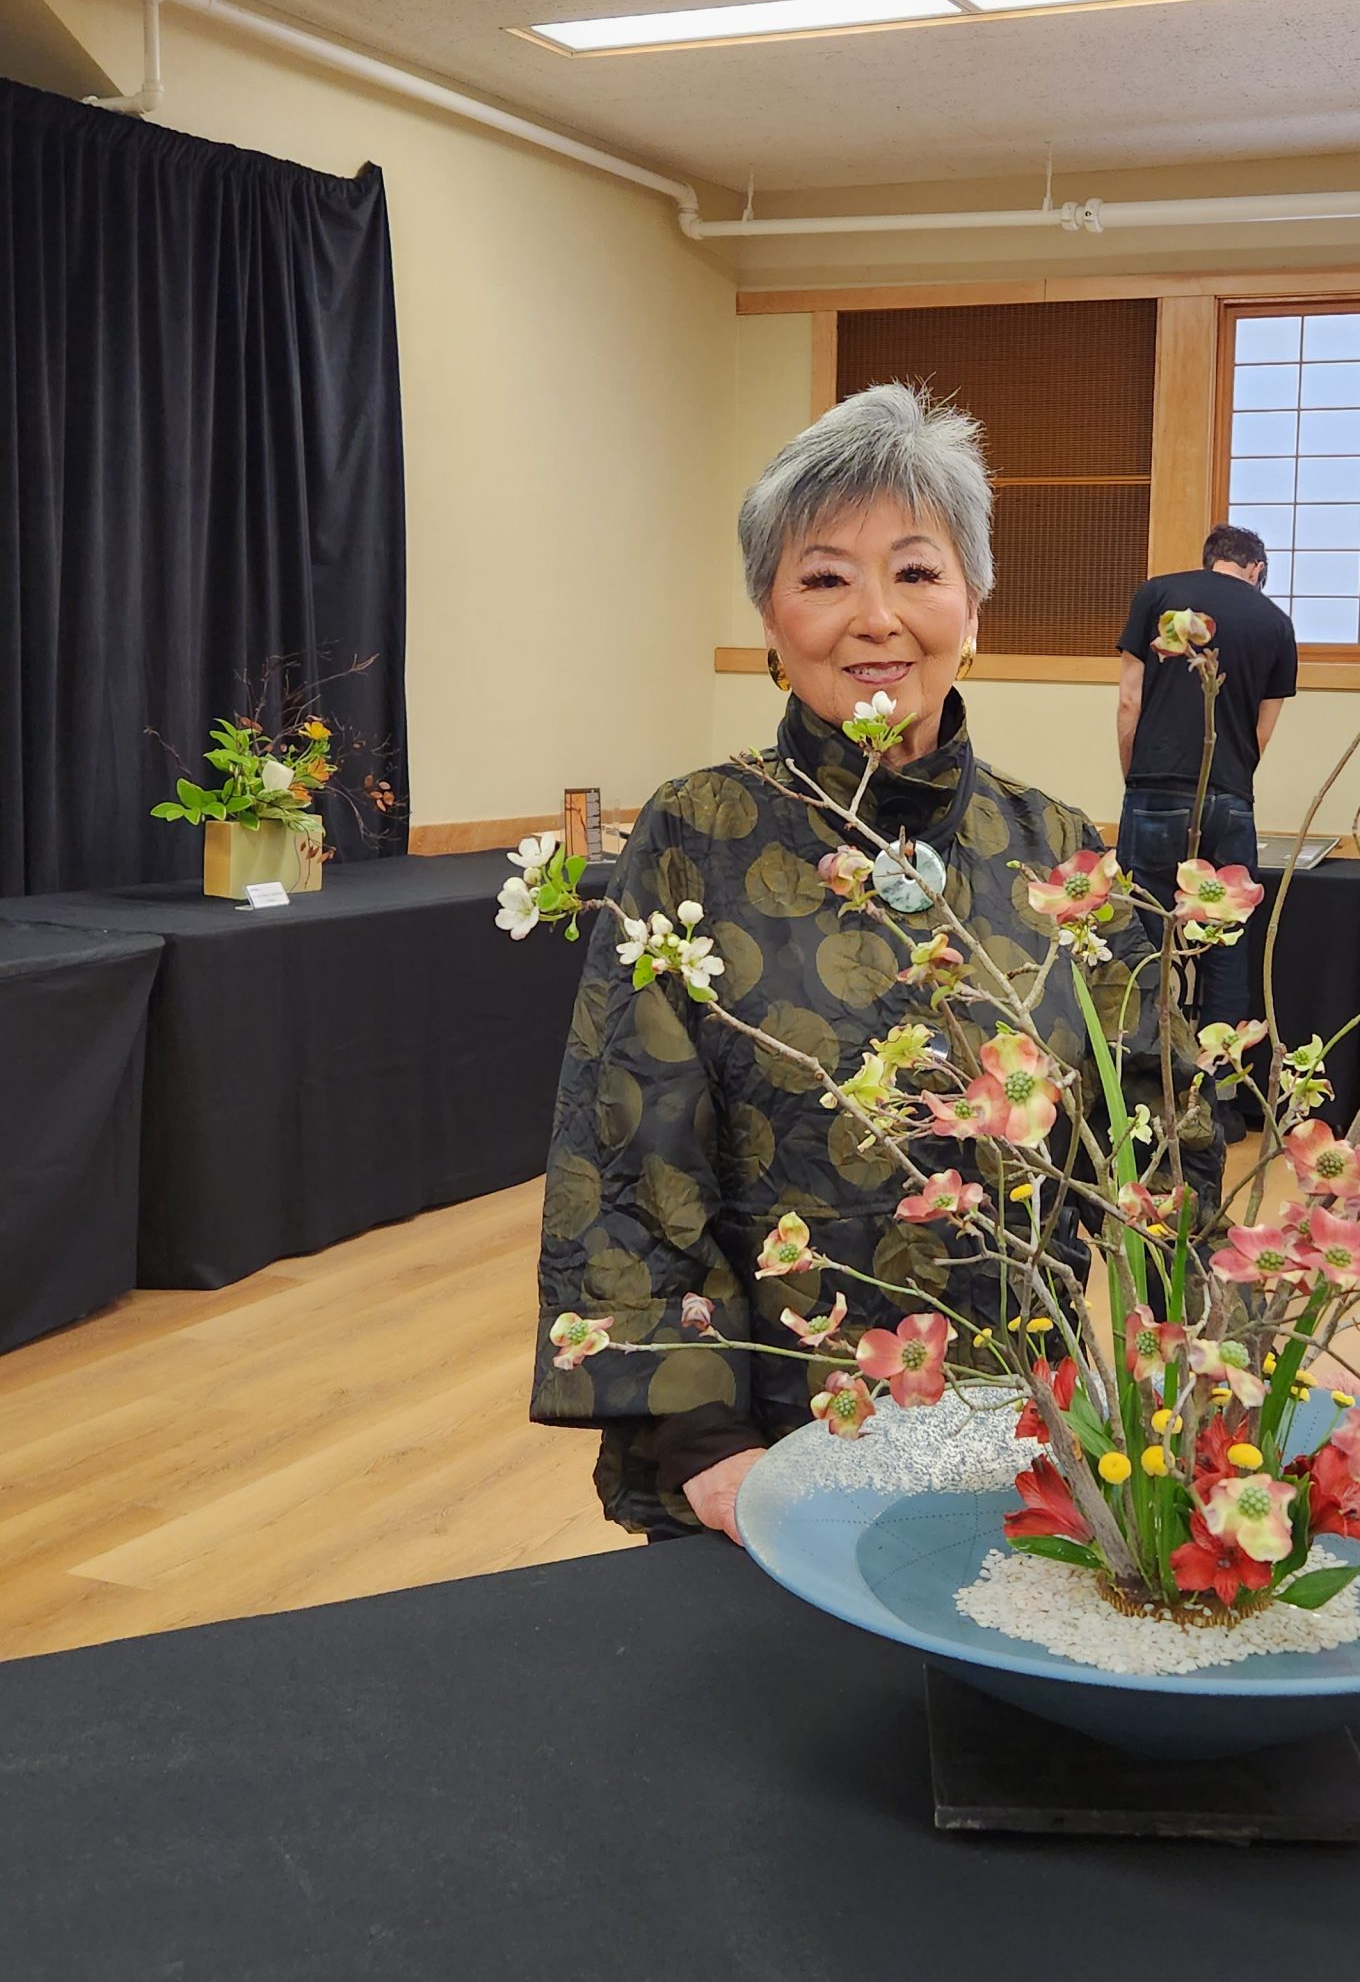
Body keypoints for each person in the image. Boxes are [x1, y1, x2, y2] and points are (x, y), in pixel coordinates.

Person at [530, 383, 1214, 1545]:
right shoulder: (699, 830)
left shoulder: (1060, 850)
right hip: (769, 1456)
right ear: (770, 617)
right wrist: (708, 1451)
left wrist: (1182, 1383)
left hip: (1020, 1438)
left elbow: (1159, 1139)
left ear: (973, 608)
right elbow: (628, 1139)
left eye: (915, 571)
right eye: (824, 577)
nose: (876, 618)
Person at [1115, 524, 1298, 1057]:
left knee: (1142, 938)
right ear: (1257, 570)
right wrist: (1230, 783)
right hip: (1230, 797)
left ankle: (1142, 1075)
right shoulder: (1276, 624)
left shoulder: (1159, 594)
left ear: (1210, 559)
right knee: (1224, 943)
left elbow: (1130, 700)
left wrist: (1136, 773)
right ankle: (1218, 1090)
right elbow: (1262, 734)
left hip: (1153, 787)